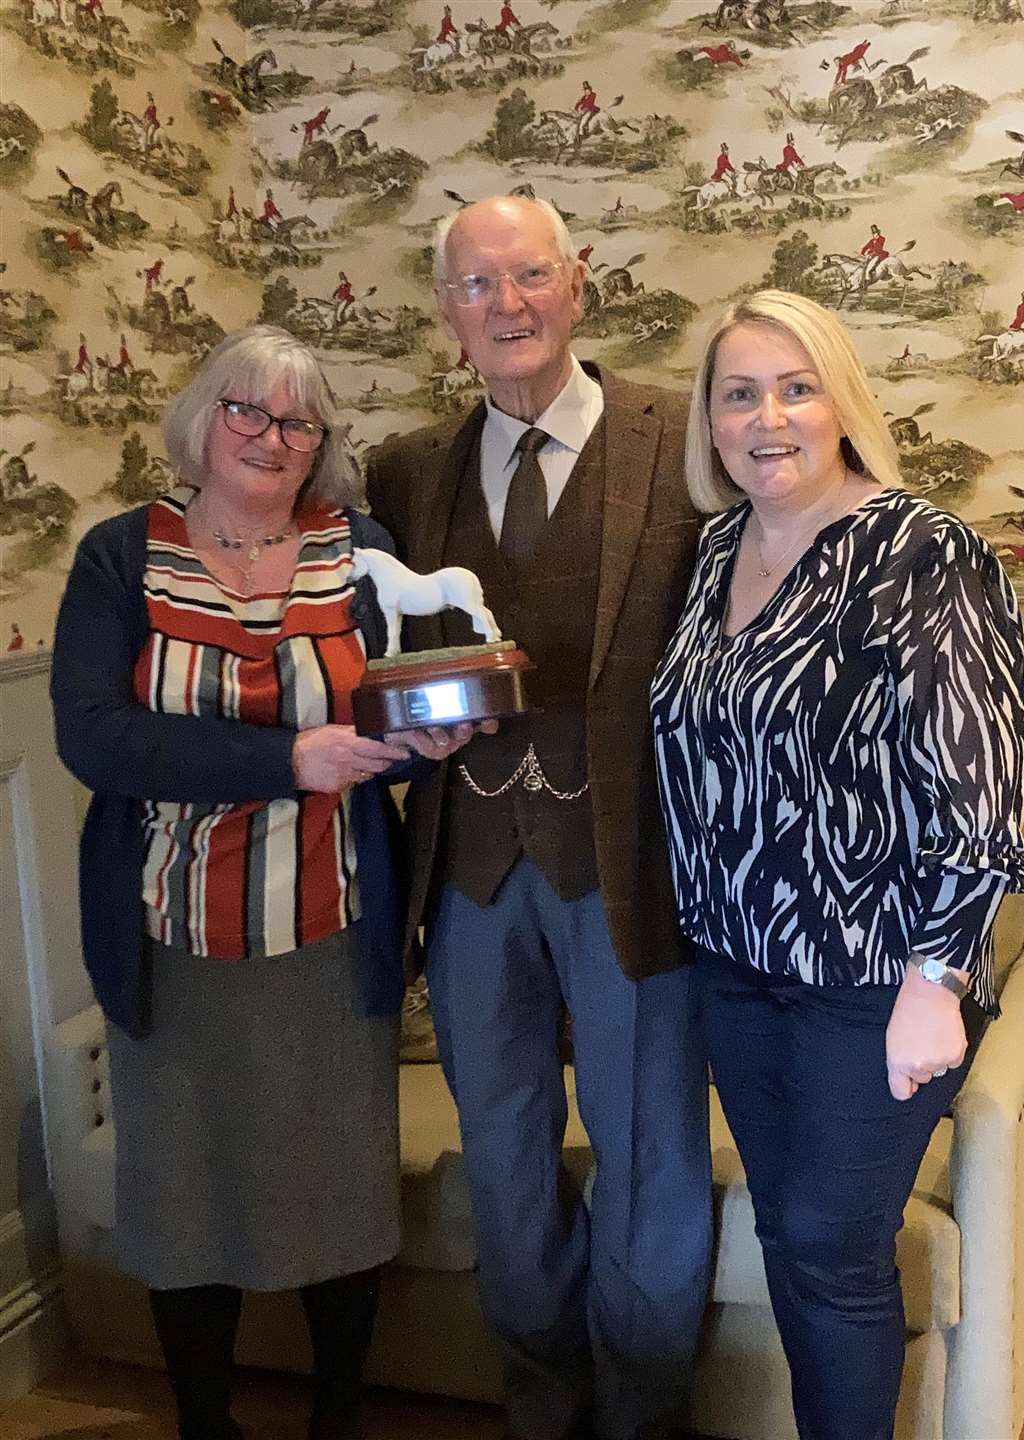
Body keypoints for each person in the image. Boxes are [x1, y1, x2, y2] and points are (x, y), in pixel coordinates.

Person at [50, 325, 484, 1440]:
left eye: (298, 420)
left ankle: (336, 1418)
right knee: (182, 1201)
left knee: (342, 1198)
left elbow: (396, 696)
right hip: (170, 931)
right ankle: (207, 1422)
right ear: (202, 420)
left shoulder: (363, 547)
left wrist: (427, 736)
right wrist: (285, 761)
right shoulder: (121, 554)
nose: (272, 436)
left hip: (333, 928)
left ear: (321, 443)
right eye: (248, 410)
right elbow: (94, 738)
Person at [651, 290, 1024, 1440]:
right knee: (787, 1233)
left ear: (842, 403)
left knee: (832, 1246)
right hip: (735, 968)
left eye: (796, 386)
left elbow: (979, 787)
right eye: (740, 393)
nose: (770, 417)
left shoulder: (924, 549)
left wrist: (938, 983)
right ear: (710, 423)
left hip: (871, 982)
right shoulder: (717, 546)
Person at [365, 196, 713, 1440]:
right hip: (464, 872)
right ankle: (542, 1402)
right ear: (448, 313)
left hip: (632, 867)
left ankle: (641, 1411)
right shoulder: (405, 471)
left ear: (576, 286)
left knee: (650, 1157)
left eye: (527, 277)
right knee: (504, 1157)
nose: (505, 306)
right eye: (475, 285)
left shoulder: (683, 439)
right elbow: (360, 649)